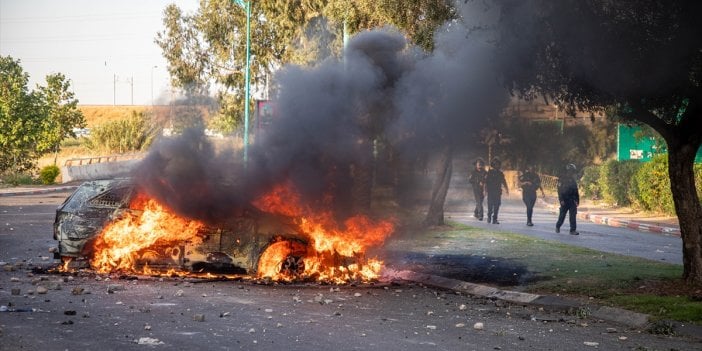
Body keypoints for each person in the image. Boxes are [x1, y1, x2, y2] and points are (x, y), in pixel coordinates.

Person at [556, 163, 580, 235]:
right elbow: (559, 191)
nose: (572, 173)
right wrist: (561, 200)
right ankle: (558, 226)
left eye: (573, 171)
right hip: (564, 200)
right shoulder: (562, 179)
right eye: (571, 171)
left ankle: (572, 230)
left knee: (573, 216)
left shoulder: (573, 180)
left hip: (572, 200)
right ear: (568, 171)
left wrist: (577, 200)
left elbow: (576, 191)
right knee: (562, 216)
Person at [485, 157, 509, 224]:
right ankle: (489, 217)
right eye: (496, 164)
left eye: (498, 164)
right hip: (490, 191)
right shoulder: (489, 173)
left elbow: (504, 181)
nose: (497, 166)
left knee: (497, 205)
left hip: (498, 192)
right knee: (490, 205)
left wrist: (506, 189)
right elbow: (485, 182)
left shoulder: (500, 173)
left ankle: (495, 219)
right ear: (493, 165)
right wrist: (485, 190)